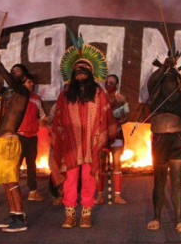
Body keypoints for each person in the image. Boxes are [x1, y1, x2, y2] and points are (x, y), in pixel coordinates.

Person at [50, 43, 110, 229]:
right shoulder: (66, 95)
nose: (80, 74)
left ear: (90, 74)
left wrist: (100, 139)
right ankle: (69, 216)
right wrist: (59, 140)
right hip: (71, 146)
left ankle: (85, 215)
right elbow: (58, 120)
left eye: (84, 71)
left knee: (89, 178)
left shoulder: (99, 94)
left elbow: (105, 118)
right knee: (70, 180)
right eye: (77, 71)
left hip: (91, 145)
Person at [146, 57, 181, 232]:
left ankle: (179, 220)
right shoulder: (156, 91)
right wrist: (164, 67)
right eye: (166, 80)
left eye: (172, 80)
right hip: (160, 138)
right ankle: (156, 217)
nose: (169, 83)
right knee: (159, 180)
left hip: (178, 138)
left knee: (176, 180)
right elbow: (151, 82)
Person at [0, 54, 32, 232]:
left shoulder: (23, 91)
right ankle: (14, 214)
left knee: (11, 180)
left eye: (18, 71)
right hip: (0, 142)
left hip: (9, 142)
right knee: (5, 181)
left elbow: (11, 82)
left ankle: (20, 217)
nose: (14, 72)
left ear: (25, 77)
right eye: (12, 70)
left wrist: (0, 64)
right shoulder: (9, 94)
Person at [96, 74, 130, 205]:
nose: (108, 85)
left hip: (117, 135)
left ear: (116, 85)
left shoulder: (122, 99)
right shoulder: (100, 98)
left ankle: (117, 196)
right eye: (107, 83)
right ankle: (99, 196)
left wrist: (117, 122)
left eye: (111, 83)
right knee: (101, 165)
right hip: (103, 135)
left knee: (116, 163)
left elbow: (127, 115)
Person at [18, 72, 48, 202]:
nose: (32, 84)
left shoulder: (36, 98)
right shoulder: (17, 97)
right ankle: (13, 191)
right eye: (29, 82)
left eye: (32, 82)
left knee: (31, 165)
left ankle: (33, 191)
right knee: (16, 165)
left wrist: (49, 119)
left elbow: (42, 116)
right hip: (19, 136)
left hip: (32, 137)